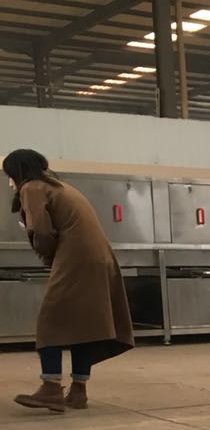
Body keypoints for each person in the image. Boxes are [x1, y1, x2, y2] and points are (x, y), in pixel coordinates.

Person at [5, 149, 134, 412]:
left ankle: (51, 387)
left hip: (76, 257)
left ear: (18, 172)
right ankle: (78, 391)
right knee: (82, 325)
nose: (9, 183)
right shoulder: (60, 186)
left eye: (9, 176)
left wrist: (48, 257)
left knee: (49, 321)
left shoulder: (32, 187)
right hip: (99, 257)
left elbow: (41, 231)